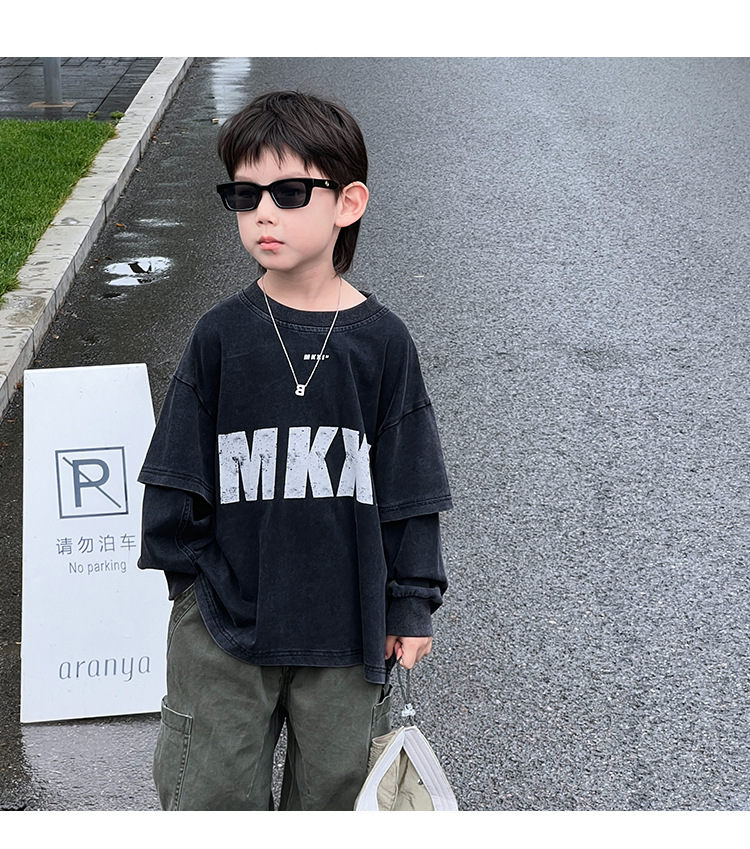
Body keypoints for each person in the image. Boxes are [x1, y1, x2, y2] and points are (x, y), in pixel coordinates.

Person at [137, 90, 453, 811]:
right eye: (245, 195)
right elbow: (177, 471)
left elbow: (410, 485)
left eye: (289, 192)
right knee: (210, 794)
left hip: (348, 631)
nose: (264, 213)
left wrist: (410, 604)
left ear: (347, 203)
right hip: (225, 627)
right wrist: (190, 587)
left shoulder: (383, 343)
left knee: (338, 799)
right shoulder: (221, 335)